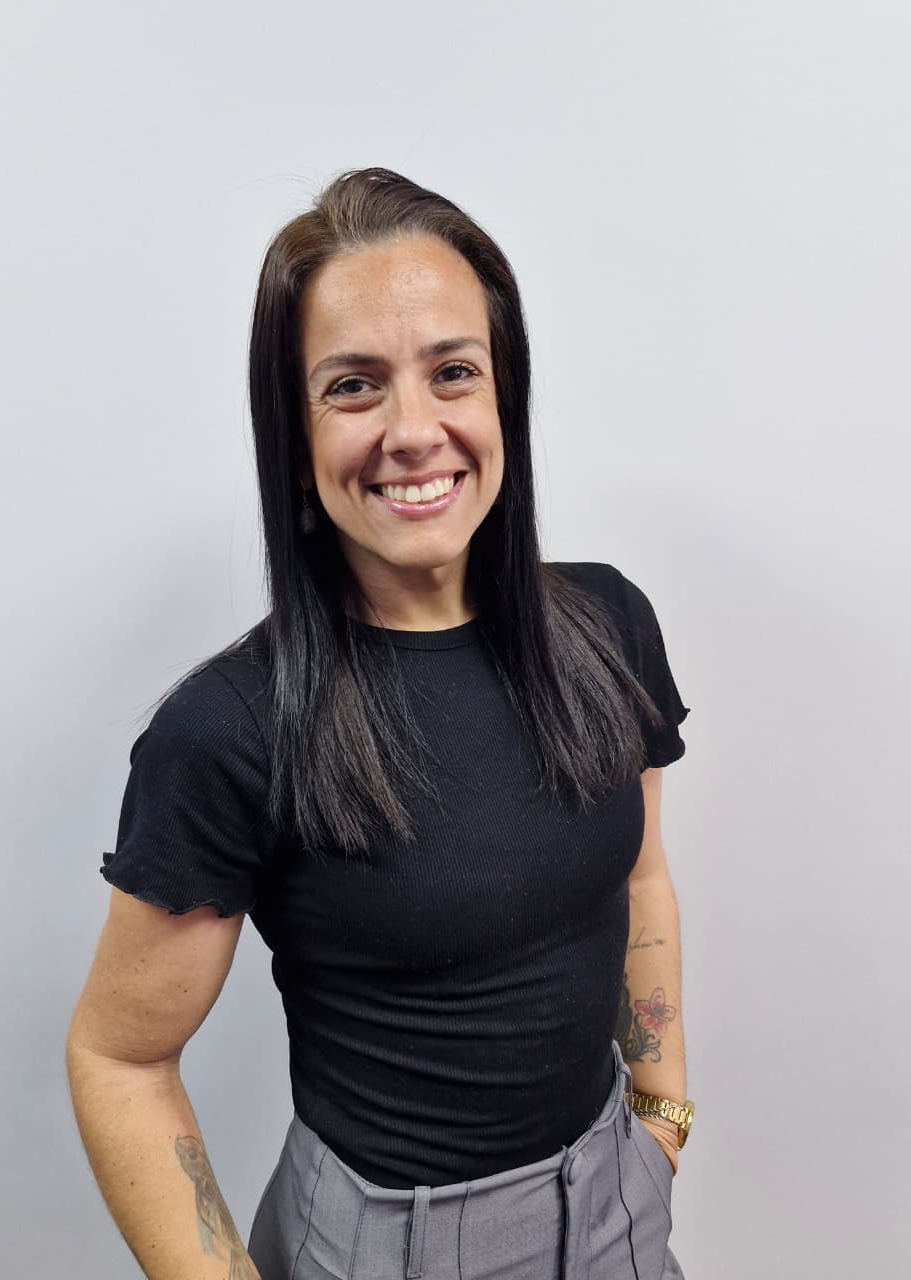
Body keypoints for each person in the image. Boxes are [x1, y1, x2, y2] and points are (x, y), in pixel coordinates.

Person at [66, 166, 693, 1280]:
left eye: (452, 371)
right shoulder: (229, 731)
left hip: (615, 1200)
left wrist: (660, 1111)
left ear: (502, 395)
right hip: (390, 1245)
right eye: (354, 385)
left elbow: (638, 873)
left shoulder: (610, 624)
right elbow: (120, 1055)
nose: (414, 429)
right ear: (295, 435)